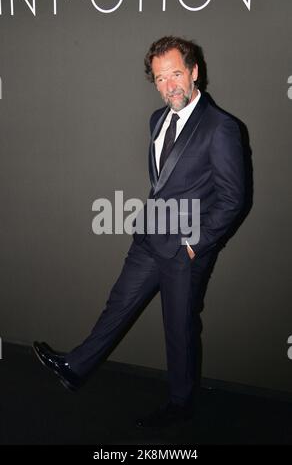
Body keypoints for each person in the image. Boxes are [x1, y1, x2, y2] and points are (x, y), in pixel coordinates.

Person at [33, 36, 245, 428]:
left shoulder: (221, 127)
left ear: (195, 71)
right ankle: (76, 367)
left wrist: (195, 245)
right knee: (118, 305)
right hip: (150, 238)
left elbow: (234, 198)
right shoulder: (156, 119)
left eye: (177, 74)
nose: (170, 86)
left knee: (179, 330)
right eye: (161, 79)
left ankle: (181, 406)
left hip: (184, 250)